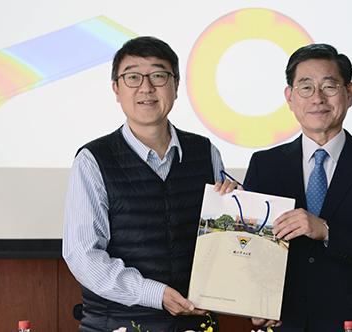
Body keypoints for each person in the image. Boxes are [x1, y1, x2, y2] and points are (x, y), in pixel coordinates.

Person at [63, 36, 235, 332]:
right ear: (116, 89)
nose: (146, 87)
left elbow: (226, 239)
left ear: (176, 85)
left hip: (194, 323)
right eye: (132, 77)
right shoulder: (93, 160)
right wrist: (154, 294)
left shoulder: (205, 152)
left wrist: (238, 212)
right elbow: (82, 255)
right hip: (117, 324)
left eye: (158, 75)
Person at [244, 44, 352, 332]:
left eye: (329, 86)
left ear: (349, 93)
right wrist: (252, 305)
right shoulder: (265, 165)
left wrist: (326, 231)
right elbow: (252, 250)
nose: (317, 98)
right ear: (290, 97)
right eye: (305, 87)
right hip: (286, 321)